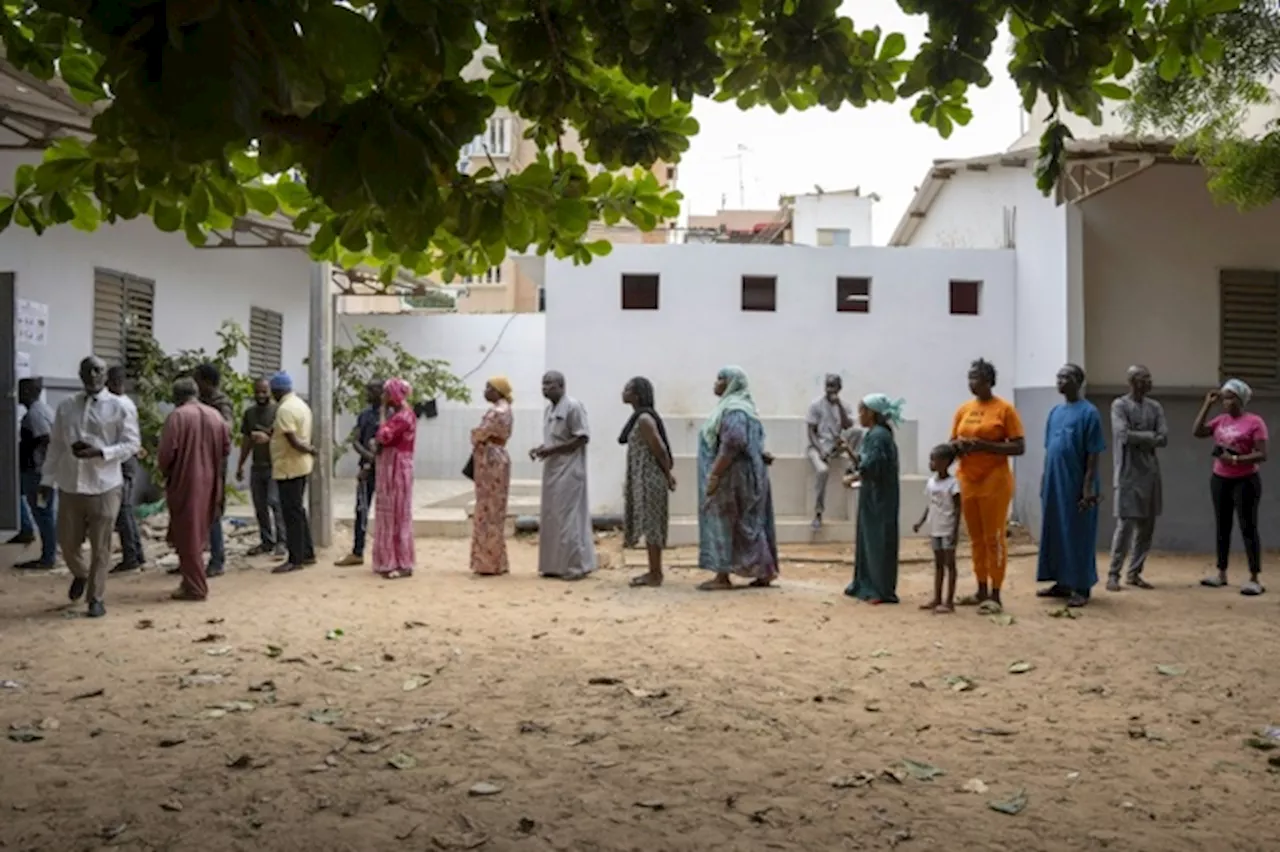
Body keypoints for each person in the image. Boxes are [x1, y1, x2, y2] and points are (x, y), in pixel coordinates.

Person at [39, 356, 140, 618]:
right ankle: (81, 574)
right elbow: (56, 446)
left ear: (105, 375)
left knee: (101, 546)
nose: (93, 375)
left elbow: (132, 444)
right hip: (71, 485)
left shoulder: (120, 407)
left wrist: (101, 452)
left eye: (99, 370)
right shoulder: (66, 406)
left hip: (105, 485)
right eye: (88, 370)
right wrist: (46, 481)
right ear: (81, 374)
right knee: (68, 543)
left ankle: (96, 597)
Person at [950, 358, 1025, 610]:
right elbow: (952, 442)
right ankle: (980, 588)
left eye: (977, 379)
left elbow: (1018, 446)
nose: (972, 383)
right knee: (976, 538)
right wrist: (955, 448)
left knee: (994, 537)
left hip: (995, 481)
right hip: (968, 479)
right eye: (970, 378)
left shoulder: (1004, 410)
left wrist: (986, 446)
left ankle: (996, 593)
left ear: (989, 381)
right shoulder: (963, 410)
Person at [696, 366, 778, 591]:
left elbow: (734, 441)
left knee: (725, 522)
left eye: (721, 378)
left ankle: (722, 575)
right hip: (748, 474)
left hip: (733, 478)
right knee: (749, 523)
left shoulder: (733, 410)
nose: (716, 383)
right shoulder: (746, 408)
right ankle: (764, 571)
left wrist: (715, 473)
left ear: (732, 384)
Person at [1036, 364, 1105, 608]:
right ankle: (1062, 582)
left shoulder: (1089, 413)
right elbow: (1049, 449)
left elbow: (1094, 454)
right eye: (1058, 377)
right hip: (1055, 481)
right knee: (1056, 530)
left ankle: (1081, 586)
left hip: (1076, 481)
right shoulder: (1055, 412)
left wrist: (1087, 487)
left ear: (1078, 381)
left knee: (1078, 533)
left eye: (1065, 377)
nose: (1060, 381)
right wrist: (1045, 478)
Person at [1193, 378, 1267, 595]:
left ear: (1241, 399)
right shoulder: (1220, 420)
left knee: (1248, 526)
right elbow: (1197, 431)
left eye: (1231, 397)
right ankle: (1221, 572)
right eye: (1224, 398)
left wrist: (1235, 460)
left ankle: (1254, 577)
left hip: (1246, 480)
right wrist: (1207, 404)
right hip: (1220, 479)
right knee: (1222, 525)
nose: (1226, 402)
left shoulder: (1254, 422)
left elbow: (1262, 454)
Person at [159, 377, 231, 601]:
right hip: (211, 480)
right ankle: (189, 581)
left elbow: (166, 454)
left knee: (187, 533)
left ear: (177, 397)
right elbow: (226, 448)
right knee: (201, 530)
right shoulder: (215, 415)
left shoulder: (178, 417)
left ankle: (196, 587)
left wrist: (167, 471)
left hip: (186, 481)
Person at [531, 371, 596, 580]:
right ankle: (553, 566)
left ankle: (574, 566)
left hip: (569, 469)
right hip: (552, 469)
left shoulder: (573, 407)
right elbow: (554, 439)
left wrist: (552, 450)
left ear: (561, 386)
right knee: (552, 517)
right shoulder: (548, 410)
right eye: (543, 384)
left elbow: (581, 438)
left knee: (569, 518)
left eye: (549, 384)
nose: (545, 388)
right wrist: (542, 449)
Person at [1107, 365, 1167, 591]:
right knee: (1125, 526)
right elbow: (1123, 435)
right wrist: (1150, 437)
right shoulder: (1120, 405)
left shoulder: (1155, 407)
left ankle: (1134, 572)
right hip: (1127, 474)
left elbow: (1164, 438)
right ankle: (1114, 573)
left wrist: (1142, 437)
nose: (1149, 382)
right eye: (1144, 378)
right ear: (1132, 381)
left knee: (1147, 526)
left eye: (1150, 378)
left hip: (1150, 474)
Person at [842, 394, 903, 604]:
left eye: (862, 411)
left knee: (878, 540)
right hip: (873, 496)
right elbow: (864, 461)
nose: (859, 415)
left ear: (872, 413)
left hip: (880, 498)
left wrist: (853, 477)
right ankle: (866, 583)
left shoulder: (878, 436)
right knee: (868, 538)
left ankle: (879, 588)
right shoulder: (874, 435)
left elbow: (872, 466)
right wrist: (849, 451)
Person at [620, 376, 676, 588]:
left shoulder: (644, 420)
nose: (622, 392)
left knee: (652, 525)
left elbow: (660, 449)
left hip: (650, 477)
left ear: (636, 395)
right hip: (644, 476)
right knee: (650, 523)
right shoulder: (639, 418)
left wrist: (668, 475)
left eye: (627, 389)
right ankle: (653, 571)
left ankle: (655, 573)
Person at [269, 371, 317, 574]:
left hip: (289, 466)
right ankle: (307, 552)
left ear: (277, 390)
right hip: (300, 465)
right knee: (298, 510)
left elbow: (293, 441)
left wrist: (310, 449)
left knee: (291, 514)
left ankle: (295, 558)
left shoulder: (285, 409)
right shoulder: (300, 405)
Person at [235, 377, 286, 556]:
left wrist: (268, 438)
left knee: (275, 502)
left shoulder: (279, 411)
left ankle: (282, 541)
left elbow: (285, 438)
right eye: (257, 391)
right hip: (257, 466)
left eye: (264, 391)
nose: (260, 395)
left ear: (270, 391)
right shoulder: (249, 414)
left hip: (275, 465)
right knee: (259, 506)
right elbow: (246, 441)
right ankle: (266, 541)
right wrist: (240, 464)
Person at [371, 378, 416, 579]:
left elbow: (383, 436)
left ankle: (400, 562)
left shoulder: (404, 416)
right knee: (390, 514)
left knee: (397, 514)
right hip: (391, 466)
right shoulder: (399, 414)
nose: (384, 397)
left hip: (397, 468)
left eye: (386, 393)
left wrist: (381, 415)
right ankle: (390, 560)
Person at [336, 380, 384, 567]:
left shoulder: (390, 415)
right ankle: (357, 551)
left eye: (371, 391)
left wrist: (373, 461)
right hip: (366, 470)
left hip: (386, 471)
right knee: (361, 509)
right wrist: (369, 458)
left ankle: (384, 552)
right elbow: (355, 440)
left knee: (385, 513)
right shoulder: (364, 415)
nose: (367, 394)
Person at [470, 377, 514, 576]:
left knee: (488, 509)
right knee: (495, 510)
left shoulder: (497, 411)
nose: (485, 391)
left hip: (491, 460)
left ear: (498, 391)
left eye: (489, 387)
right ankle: (497, 560)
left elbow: (479, 434)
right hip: (497, 458)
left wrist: (476, 436)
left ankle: (487, 562)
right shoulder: (505, 409)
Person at [106, 366, 147, 574]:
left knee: (123, 509)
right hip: (125, 460)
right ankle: (136, 554)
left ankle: (131, 556)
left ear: (113, 382)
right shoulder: (126, 403)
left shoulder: (119, 405)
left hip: (123, 461)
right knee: (126, 509)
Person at [194, 362, 234, 577]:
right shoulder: (200, 401)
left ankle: (217, 559)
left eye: (198, 379)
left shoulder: (220, 403)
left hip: (214, 464)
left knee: (213, 510)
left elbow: (227, 428)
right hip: (197, 462)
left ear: (207, 382)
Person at [14, 378, 56, 570]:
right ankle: (44, 549)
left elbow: (45, 437)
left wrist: (34, 457)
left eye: (22, 390)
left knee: (43, 513)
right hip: (39, 472)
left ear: (30, 391)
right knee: (42, 511)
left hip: (37, 473)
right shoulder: (43, 409)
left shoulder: (35, 414)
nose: (18, 393)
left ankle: (48, 557)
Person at [913, 444, 961, 613]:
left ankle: (949, 601)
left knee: (950, 564)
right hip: (935, 527)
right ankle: (937, 598)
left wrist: (955, 530)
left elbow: (957, 508)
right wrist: (920, 522)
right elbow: (930, 505)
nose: (931, 463)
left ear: (946, 462)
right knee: (938, 564)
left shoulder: (953, 483)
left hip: (947, 527)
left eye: (934, 460)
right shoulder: (931, 482)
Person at [806, 374, 857, 530]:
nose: (830, 390)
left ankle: (854, 466)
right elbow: (810, 432)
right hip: (818, 447)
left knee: (858, 432)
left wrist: (839, 406)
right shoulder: (816, 405)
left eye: (833, 386)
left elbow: (848, 426)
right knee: (822, 471)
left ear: (839, 388)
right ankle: (818, 513)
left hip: (836, 445)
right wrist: (821, 450)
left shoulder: (844, 406)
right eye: (827, 386)